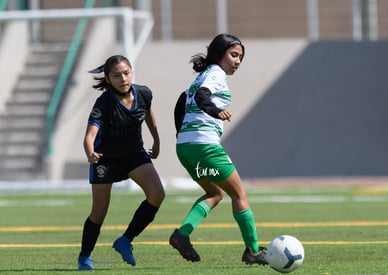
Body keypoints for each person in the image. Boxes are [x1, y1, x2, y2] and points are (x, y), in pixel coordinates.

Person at [170, 34, 268, 265]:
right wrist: (215, 112)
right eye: (234, 55)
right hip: (205, 147)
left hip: (186, 148)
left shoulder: (201, 76)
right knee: (239, 195)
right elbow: (204, 97)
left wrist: (183, 134)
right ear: (219, 53)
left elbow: (180, 103)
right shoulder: (215, 73)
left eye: (240, 57)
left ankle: (182, 235)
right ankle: (253, 251)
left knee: (215, 193)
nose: (237, 61)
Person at [77, 55, 165, 270]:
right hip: (106, 159)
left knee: (157, 194)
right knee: (99, 211)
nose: (123, 78)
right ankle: (84, 257)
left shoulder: (143, 93)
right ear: (107, 78)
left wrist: (156, 140)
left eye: (126, 73)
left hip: (134, 155)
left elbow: (149, 116)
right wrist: (90, 152)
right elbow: (90, 135)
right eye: (116, 75)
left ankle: (125, 240)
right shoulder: (104, 102)